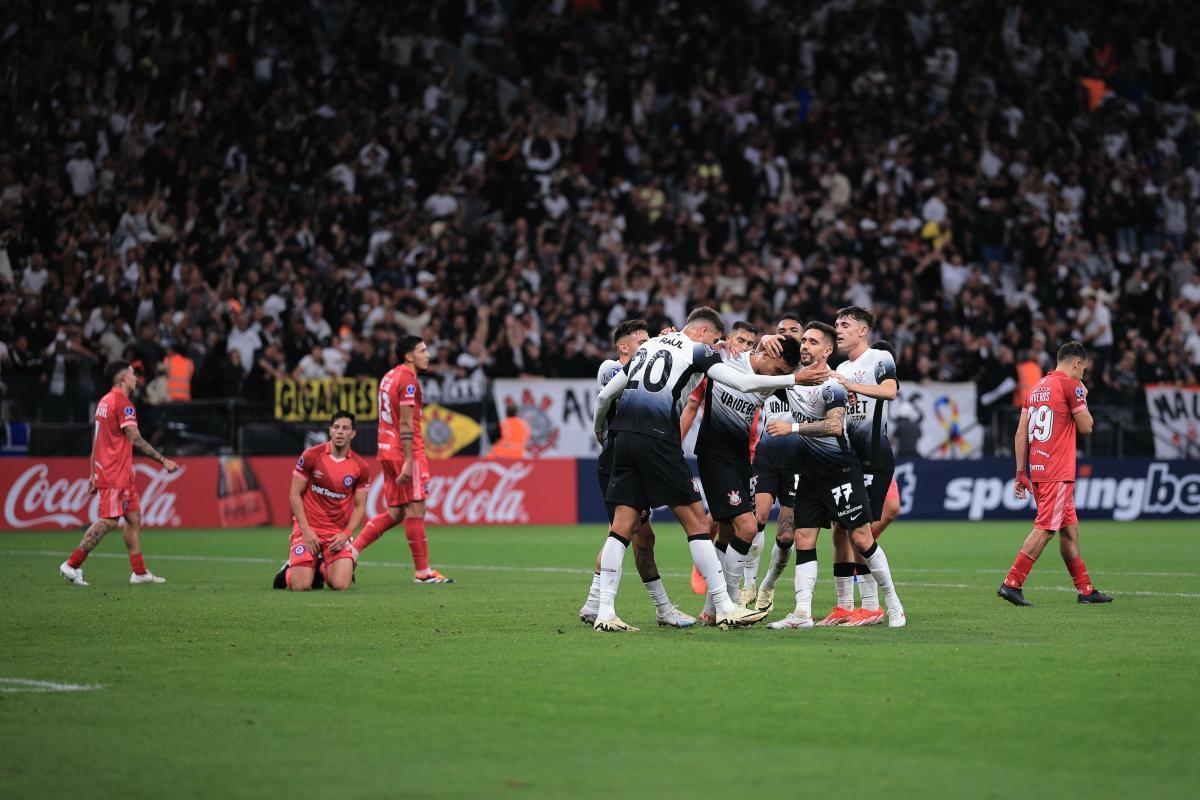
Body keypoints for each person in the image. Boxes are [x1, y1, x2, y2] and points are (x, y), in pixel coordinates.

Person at [590, 307, 823, 632]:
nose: (717, 344)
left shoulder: (650, 345)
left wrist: (600, 429)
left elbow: (605, 395)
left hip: (623, 436)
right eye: (715, 339)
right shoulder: (700, 351)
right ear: (702, 333)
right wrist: (793, 376)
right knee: (699, 523)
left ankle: (604, 612)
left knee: (621, 527)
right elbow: (740, 378)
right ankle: (725, 605)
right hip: (663, 437)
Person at [759, 322, 907, 629]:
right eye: (804, 341)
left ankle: (893, 603)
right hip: (808, 473)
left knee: (862, 538)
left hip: (840, 471)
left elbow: (835, 426)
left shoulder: (834, 385)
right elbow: (756, 369)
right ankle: (802, 614)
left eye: (813, 342)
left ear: (827, 351)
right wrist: (763, 340)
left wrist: (793, 428)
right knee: (803, 538)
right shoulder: (793, 383)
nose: (805, 346)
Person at [579, 320, 695, 628]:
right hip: (619, 459)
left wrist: (674, 342)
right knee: (625, 533)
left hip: (634, 458)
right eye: (640, 340)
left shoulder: (649, 365)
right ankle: (656, 608)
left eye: (649, 339)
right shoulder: (611, 368)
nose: (647, 344)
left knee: (638, 537)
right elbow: (608, 398)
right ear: (623, 347)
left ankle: (596, 604)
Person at [690, 332, 803, 626]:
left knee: (727, 533)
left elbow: (804, 384)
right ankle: (729, 605)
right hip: (714, 454)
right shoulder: (726, 357)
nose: (779, 377)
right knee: (748, 527)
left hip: (740, 458)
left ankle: (711, 610)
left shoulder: (774, 380)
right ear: (767, 354)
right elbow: (697, 342)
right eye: (779, 370)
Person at [998, 341, 1113, 606]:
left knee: (1069, 532)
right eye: (1083, 368)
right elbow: (1087, 427)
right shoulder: (1070, 385)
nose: (1083, 374)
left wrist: (1020, 472)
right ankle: (1011, 583)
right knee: (1046, 528)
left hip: (1038, 470)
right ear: (1076, 363)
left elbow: (1020, 434)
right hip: (1057, 472)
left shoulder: (1036, 387)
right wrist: (1083, 395)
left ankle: (1085, 590)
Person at [59, 360, 180, 586]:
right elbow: (134, 438)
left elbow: (97, 439)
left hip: (117, 472)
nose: (136, 379)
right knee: (110, 521)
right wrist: (163, 461)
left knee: (133, 517)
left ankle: (139, 572)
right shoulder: (124, 405)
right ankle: (72, 564)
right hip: (115, 472)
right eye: (133, 374)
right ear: (124, 378)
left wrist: (93, 473)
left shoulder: (104, 402)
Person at [351, 335, 454, 583]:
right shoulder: (408, 380)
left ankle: (351, 551)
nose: (428, 355)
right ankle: (423, 572)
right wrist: (409, 459)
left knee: (396, 512)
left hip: (386, 448)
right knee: (416, 509)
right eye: (422, 350)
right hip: (406, 452)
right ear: (409, 356)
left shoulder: (389, 376)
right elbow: (406, 423)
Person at [824, 308, 900, 627]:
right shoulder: (840, 366)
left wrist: (850, 386)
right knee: (841, 532)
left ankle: (875, 605)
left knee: (859, 531)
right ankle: (845, 606)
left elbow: (890, 391)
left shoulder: (879, 358)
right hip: (846, 459)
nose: (838, 330)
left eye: (845, 325)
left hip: (873, 457)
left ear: (863, 330)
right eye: (837, 325)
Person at [678, 319, 759, 597]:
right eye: (740, 341)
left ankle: (717, 601)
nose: (745, 348)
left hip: (750, 454)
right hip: (719, 454)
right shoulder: (715, 369)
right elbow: (691, 406)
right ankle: (716, 580)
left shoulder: (757, 370)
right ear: (727, 340)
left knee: (733, 525)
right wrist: (676, 445)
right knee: (739, 522)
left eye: (750, 344)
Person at [274, 411, 371, 591]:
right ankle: (289, 569)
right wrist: (305, 530)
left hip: (336, 533)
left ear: (353, 433)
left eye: (345, 428)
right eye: (336, 427)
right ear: (330, 431)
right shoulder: (312, 455)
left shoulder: (361, 467)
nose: (340, 432)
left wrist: (346, 534)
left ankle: (320, 567)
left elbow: (360, 506)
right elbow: (294, 494)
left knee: (340, 585)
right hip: (308, 528)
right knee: (301, 586)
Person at [749, 313, 806, 611]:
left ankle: (767, 585)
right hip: (768, 456)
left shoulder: (814, 370)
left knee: (785, 535)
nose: (786, 334)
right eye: (780, 330)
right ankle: (746, 587)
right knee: (755, 521)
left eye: (793, 330)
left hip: (799, 461)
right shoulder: (766, 363)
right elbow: (734, 351)